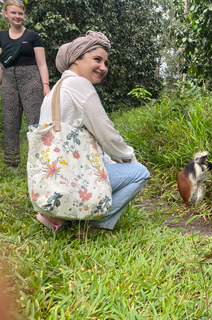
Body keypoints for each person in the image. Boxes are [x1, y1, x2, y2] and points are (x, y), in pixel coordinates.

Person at [35, 30, 150, 232]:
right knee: (140, 173)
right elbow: (107, 134)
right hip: (73, 180)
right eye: (97, 59)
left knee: (111, 168)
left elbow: (87, 140)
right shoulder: (79, 84)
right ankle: (94, 224)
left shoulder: (54, 91)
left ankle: (58, 216)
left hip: (51, 182)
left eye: (105, 63)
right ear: (76, 59)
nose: (103, 67)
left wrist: (111, 163)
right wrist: (130, 159)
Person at [0, 0, 50, 167]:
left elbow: (42, 64)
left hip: (31, 81)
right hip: (8, 82)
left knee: (35, 122)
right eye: (13, 13)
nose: (17, 16)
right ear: (5, 14)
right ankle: (12, 162)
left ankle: (40, 159)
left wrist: (45, 85)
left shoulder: (33, 36)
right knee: (10, 121)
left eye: (20, 13)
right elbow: (1, 64)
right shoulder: (1, 37)